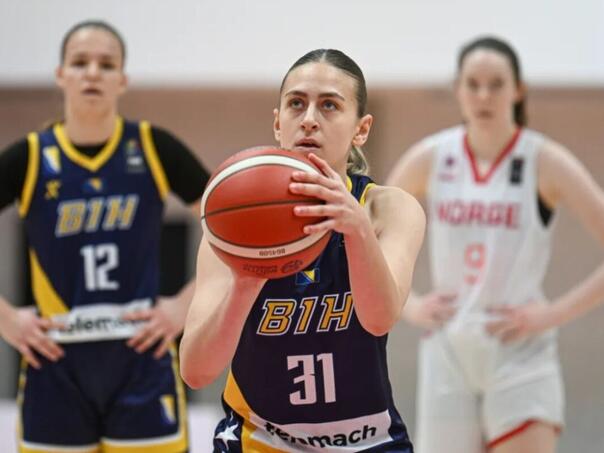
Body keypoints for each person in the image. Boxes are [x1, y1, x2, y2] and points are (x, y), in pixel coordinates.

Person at [180, 49, 425, 452]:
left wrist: (356, 229)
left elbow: (379, 319)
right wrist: (245, 283)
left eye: (329, 105)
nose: (309, 118)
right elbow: (195, 371)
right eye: (296, 103)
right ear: (278, 123)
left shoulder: (390, 209)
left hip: (366, 440)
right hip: (259, 439)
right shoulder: (233, 225)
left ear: (361, 129)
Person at [386, 36, 604, 453]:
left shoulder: (544, 160)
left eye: (496, 84)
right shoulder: (431, 157)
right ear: (458, 89)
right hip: (449, 349)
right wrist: (409, 305)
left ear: (518, 90)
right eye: (473, 84)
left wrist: (553, 314)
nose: (484, 95)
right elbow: (370, 236)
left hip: (519, 349)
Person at [0, 20, 210, 452]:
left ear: (122, 80)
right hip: (55, 362)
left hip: (141, 359)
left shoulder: (153, 147)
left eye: (106, 64)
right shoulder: (30, 157)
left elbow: (234, 232)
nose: (93, 72)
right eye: (80, 62)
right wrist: (6, 319)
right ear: (61, 75)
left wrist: (184, 306)